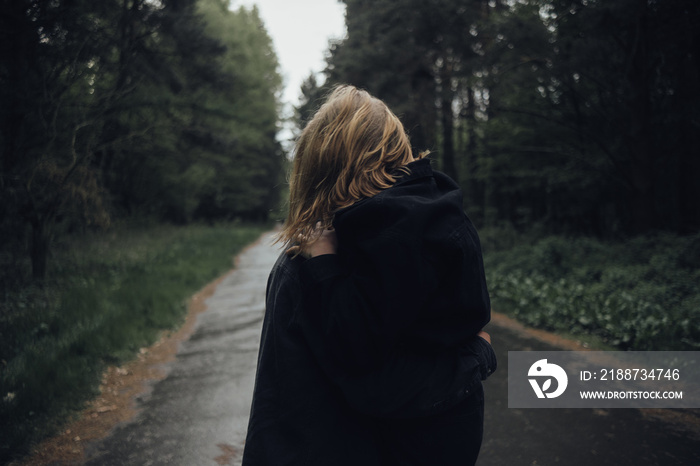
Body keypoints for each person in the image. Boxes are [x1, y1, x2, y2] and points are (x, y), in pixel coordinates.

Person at [241, 85, 496, 465]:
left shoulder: (319, 262)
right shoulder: (441, 219)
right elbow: (376, 383)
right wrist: (477, 356)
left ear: (318, 167)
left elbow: (369, 381)